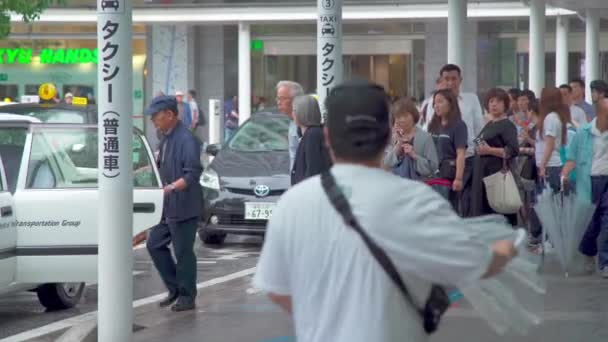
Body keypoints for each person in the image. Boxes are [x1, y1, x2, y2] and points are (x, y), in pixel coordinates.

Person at [253, 80, 518, 342]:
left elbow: (274, 287)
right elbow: (476, 263)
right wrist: (511, 245)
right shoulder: (419, 201)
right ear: (386, 135)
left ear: (327, 136)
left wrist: (323, 316)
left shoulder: (293, 204)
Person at [145, 95, 203, 312]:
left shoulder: (187, 139)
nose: (153, 121)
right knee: (154, 244)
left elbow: (192, 174)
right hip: (167, 205)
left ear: (170, 114)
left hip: (184, 205)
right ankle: (175, 288)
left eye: (156, 116)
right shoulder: (165, 136)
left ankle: (187, 296)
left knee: (183, 252)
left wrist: (169, 188)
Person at [424, 64, 485, 216]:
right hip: (442, 162)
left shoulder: (471, 99)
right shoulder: (433, 101)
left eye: (454, 79)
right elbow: (429, 130)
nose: (450, 82)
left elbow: (479, 129)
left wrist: (482, 152)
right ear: (441, 80)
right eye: (446, 79)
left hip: (468, 158)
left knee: (465, 202)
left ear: (460, 80)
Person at [562, 98, 608, 277]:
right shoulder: (583, 132)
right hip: (589, 181)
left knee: (607, 222)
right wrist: (564, 175)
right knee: (591, 223)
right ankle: (589, 252)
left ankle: (605, 262)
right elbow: (572, 158)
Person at [470, 88, 520, 226]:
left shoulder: (507, 125)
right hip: (482, 173)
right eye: (491, 101)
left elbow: (512, 150)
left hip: (495, 174)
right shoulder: (490, 124)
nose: (494, 104)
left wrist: (489, 150)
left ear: (505, 104)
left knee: (495, 212)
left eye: (498, 101)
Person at [428, 89, 468, 207]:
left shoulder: (459, 125)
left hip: (448, 175)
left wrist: (459, 178)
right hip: (432, 174)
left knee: (448, 210)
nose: (436, 106)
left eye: (440, 102)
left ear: (451, 103)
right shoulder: (433, 125)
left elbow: (461, 153)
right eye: (434, 103)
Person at [384, 97, 438, 180]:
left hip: (419, 185)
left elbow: (433, 166)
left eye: (405, 116)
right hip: (396, 184)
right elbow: (386, 163)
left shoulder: (425, 137)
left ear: (413, 116)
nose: (401, 120)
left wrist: (414, 156)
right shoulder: (394, 137)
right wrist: (398, 144)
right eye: (398, 117)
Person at [291, 95, 332, 185]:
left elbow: (312, 168)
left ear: (301, 113)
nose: (292, 114)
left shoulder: (312, 135)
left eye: (294, 110)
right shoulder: (309, 133)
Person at [536, 87, 570, 193]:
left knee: (549, 204)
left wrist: (542, 166)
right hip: (550, 166)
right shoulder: (555, 117)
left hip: (550, 167)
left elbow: (549, 145)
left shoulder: (551, 118)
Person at [276, 80, 305, 171]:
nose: (278, 102)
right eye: (277, 98)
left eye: (282, 98)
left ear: (296, 100)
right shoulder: (292, 121)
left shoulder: (305, 124)